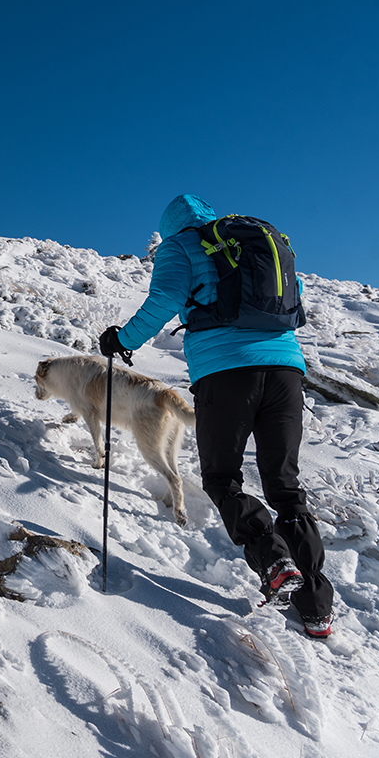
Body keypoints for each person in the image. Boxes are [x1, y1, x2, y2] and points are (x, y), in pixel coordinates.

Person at [98, 193, 335, 638]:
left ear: (170, 227)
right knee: (284, 485)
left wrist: (121, 340)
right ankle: (317, 607)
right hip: (286, 371)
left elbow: (164, 298)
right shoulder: (255, 240)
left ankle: (273, 560)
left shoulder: (181, 245)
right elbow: (295, 302)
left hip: (226, 373)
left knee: (223, 478)